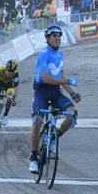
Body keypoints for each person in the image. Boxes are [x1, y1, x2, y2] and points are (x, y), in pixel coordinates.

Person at [28, 25, 81, 174]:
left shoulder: (60, 54)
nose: (58, 38)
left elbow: (60, 76)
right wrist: (68, 82)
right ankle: (33, 157)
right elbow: (46, 78)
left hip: (56, 93)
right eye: (54, 36)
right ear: (47, 38)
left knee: (71, 113)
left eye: (59, 35)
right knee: (37, 121)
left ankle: (54, 137)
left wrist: (72, 93)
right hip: (42, 92)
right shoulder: (44, 53)